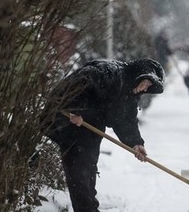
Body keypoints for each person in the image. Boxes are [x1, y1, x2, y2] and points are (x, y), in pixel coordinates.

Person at [41, 58, 165, 212]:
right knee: (79, 172)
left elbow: (126, 120)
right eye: (145, 83)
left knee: (88, 169)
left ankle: (89, 208)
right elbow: (77, 85)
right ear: (139, 74)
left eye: (148, 87)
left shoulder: (130, 93)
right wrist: (75, 109)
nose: (144, 88)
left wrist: (136, 143)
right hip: (67, 119)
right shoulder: (109, 72)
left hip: (91, 124)